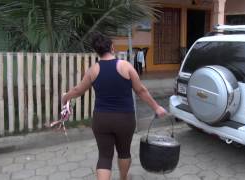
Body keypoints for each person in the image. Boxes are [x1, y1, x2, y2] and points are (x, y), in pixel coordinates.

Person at [61, 32, 167, 180]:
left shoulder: (93, 70)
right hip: (125, 119)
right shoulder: (126, 66)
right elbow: (141, 90)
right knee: (124, 152)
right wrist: (157, 107)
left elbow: (78, 90)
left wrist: (65, 97)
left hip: (101, 119)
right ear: (112, 47)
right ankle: (123, 178)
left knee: (104, 156)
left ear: (97, 51)